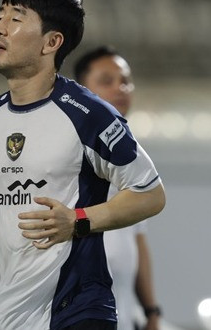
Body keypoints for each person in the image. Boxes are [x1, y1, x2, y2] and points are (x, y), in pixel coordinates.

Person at [0, 0, 165, 330]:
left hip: (76, 311)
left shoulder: (89, 114)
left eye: (16, 19)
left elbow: (150, 194)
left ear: (52, 42)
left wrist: (79, 220)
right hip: (3, 312)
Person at [74, 46, 161, 330]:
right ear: (80, 89)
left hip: (124, 314)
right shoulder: (67, 150)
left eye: (125, 80)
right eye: (107, 81)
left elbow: (137, 240)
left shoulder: (132, 155)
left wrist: (151, 311)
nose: (120, 88)